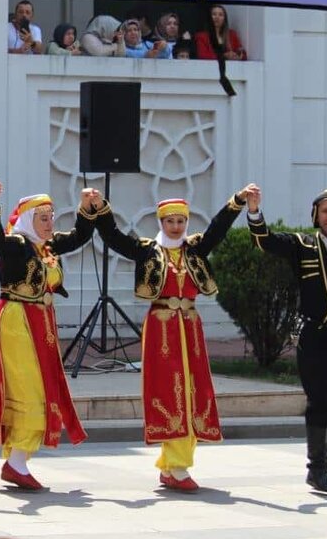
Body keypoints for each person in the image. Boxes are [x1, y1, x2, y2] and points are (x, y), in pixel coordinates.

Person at [94, 185, 257, 491]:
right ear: (161, 222)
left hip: (190, 327)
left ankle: (172, 466)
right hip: (162, 328)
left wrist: (237, 202)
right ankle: (177, 467)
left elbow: (217, 229)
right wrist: (99, 208)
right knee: (170, 390)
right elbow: (114, 238)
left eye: (181, 221)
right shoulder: (147, 250)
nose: (176, 226)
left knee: (194, 390)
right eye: (170, 221)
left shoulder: (194, 249)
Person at [0, 189, 96, 490]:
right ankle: (16, 463)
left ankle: (17, 461)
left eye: (50, 218)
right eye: (42, 218)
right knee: (30, 390)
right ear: (28, 220)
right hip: (16, 321)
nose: (49, 224)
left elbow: (79, 237)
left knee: (44, 387)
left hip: (41, 323)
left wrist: (86, 208)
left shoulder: (48, 246)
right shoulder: (17, 244)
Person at [247, 186, 327, 494]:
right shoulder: (303, 244)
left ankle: (324, 465)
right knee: (321, 400)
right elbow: (264, 241)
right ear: (316, 214)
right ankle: (316, 468)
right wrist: (254, 211)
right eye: (325, 211)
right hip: (314, 336)